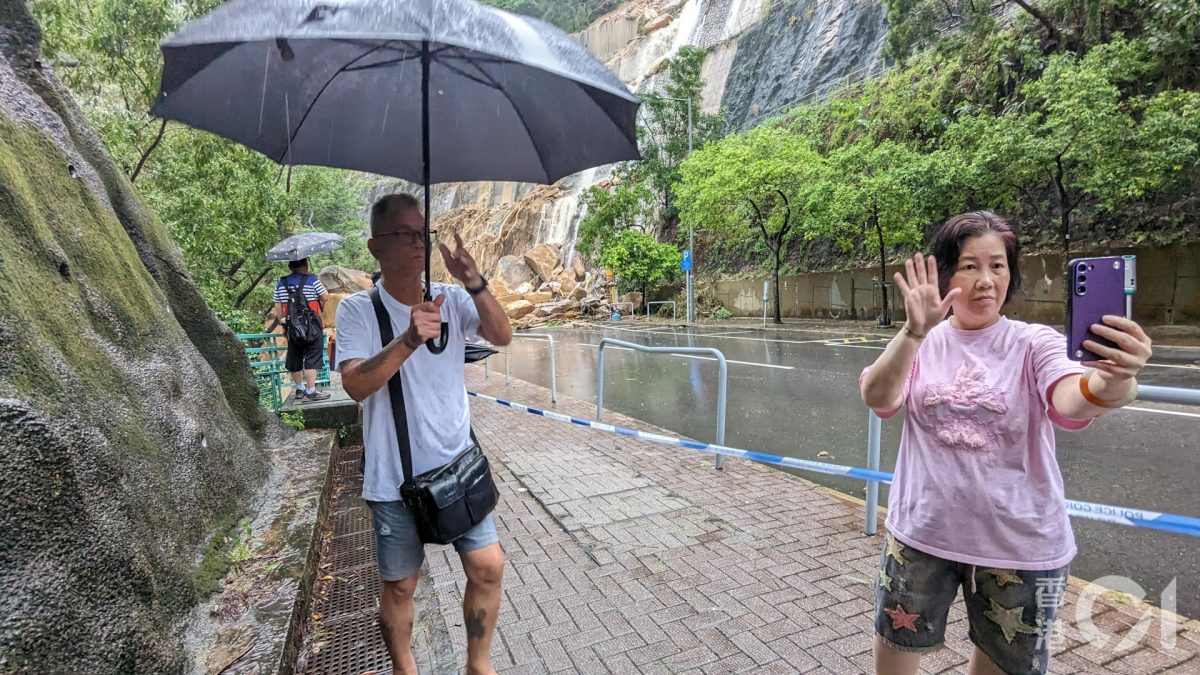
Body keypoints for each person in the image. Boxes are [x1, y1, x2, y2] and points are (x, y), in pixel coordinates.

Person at [860, 212, 1152, 675]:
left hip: (1020, 547)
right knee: (895, 650)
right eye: (969, 266)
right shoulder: (923, 342)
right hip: (921, 535)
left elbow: (1073, 399)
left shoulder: (1034, 343)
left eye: (997, 266)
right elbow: (879, 397)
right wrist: (913, 332)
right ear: (943, 274)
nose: (984, 281)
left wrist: (1115, 379)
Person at [334, 194, 512, 675]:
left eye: (422, 233)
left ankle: (478, 665)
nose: (417, 243)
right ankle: (405, 667)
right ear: (375, 247)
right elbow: (355, 384)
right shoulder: (358, 311)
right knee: (400, 586)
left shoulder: (451, 300)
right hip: (394, 480)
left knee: (488, 566)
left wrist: (473, 282)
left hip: (457, 467)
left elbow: (502, 335)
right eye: (404, 234)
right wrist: (408, 338)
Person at [273, 258, 331, 402]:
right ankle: (311, 391)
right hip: (312, 325)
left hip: (291, 326)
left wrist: (284, 325)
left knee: (295, 356)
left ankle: (300, 389)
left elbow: (278, 306)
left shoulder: (281, 283)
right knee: (313, 356)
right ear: (305, 265)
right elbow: (325, 297)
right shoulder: (312, 280)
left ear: (290, 266)